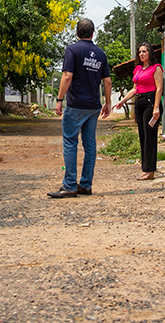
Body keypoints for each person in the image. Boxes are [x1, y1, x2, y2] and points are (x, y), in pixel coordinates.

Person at [48, 19, 112, 198]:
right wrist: (107, 103)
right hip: (93, 106)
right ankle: (85, 184)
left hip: (76, 105)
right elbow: (107, 80)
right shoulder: (100, 53)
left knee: (70, 142)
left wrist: (59, 99)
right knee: (90, 144)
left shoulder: (72, 50)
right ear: (93, 33)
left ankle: (69, 185)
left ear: (77, 33)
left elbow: (67, 76)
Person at [113, 42, 163, 180]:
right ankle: (145, 168)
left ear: (150, 53)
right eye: (140, 52)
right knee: (142, 136)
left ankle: (150, 170)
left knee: (150, 136)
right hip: (139, 102)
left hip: (150, 102)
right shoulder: (138, 69)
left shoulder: (156, 68)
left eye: (144, 51)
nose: (141, 54)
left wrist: (156, 107)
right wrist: (122, 101)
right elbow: (135, 89)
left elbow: (159, 88)